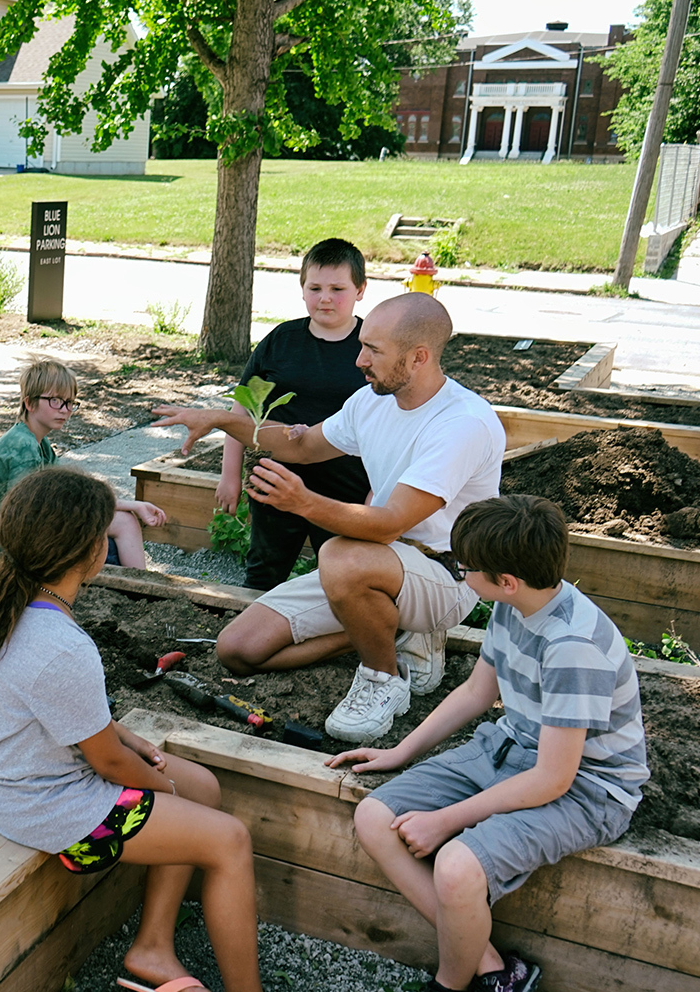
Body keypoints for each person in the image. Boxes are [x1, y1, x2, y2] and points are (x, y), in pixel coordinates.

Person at [0, 467, 341, 992]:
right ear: (88, 552)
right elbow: (108, 765)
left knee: (200, 784)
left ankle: (152, 948)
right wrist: (158, 785)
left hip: (28, 785)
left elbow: (60, 712)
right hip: (55, 812)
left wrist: (128, 739)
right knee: (226, 839)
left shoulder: (19, 605)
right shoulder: (62, 643)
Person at [328, 495, 646, 992]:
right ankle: (495, 970)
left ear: (504, 579)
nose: (458, 573)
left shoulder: (572, 647)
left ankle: (451, 990)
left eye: (463, 568)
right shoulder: (514, 605)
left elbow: (554, 779)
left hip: (589, 788)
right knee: (373, 816)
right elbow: (477, 693)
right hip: (516, 749)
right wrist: (401, 751)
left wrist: (448, 820)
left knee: (455, 864)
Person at [152, 293, 505, 744]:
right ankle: (393, 630)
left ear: (419, 357)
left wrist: (303, 501)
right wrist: (223, 419)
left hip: (445, 574)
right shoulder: (371, 402)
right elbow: (300, 445)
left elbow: (390, 522)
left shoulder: (462, 423)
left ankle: (383, 679)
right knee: (237, 650)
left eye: (373, 350)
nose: (359, 360)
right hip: (378, 565)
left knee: (339, 554)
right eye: (362, 346)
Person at [217, 239, 372, 591]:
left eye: (338, 289)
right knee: (263, 572)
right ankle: (251, 641)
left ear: (360, 290)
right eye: (314, 288)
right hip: (275, 477)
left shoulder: (372, 345)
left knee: (339, 578)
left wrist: (376, 495)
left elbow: (389, 426)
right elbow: (241, 409)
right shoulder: (281, 341)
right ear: (302, 289)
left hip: (344, 488)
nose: (325, 298)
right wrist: (230, 476)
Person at [0, 357, 166, 566]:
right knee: (123, 524)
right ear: (29, 403)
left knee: (120, 522)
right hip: (21, 549)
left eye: (69, 403)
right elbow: (26, 514)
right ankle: (139, 588)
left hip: (33, 535)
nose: (64, 409)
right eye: (55, 400)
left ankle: (135, 583)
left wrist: (133, 505)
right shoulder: (23, 447)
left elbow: (73, 494)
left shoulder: (37, 442)